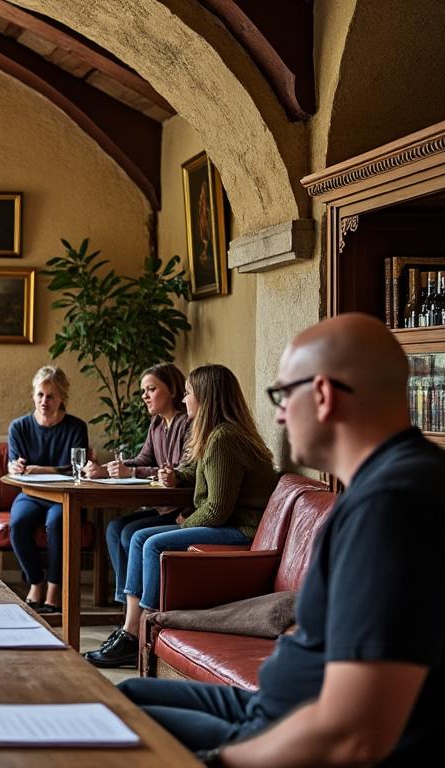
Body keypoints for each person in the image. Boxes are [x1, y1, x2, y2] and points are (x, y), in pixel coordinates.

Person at [120, 313, 445, 766]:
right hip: (270, 704)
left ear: (322, 395)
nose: (277, 414)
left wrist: (220, 760)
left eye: (282, 395)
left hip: (282, 724)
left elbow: (355, 734)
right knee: (124, 696)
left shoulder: (391, 506)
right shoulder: (383, 484)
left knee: (111, 732)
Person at [87, 364, 277, 669]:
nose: (185, 399)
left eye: (188, 393)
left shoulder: (224, 439)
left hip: (242, 529)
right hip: (230, 523)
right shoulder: (217, 435)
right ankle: (131, 631)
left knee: (149, 543)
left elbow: (216, 510)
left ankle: (143, 632)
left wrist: (184, 523)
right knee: (137, 537)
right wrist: (176, 476)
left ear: (205, 397)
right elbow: (200, 472)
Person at [82, 363, 191, 654]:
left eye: (151, 389)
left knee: (132, 534)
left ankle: (137, 622)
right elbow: (142, 460)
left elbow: (181, 472)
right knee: (115, 528)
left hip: (181, 507)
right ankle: (126, 612)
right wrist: (108, 469)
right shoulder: (156, 424)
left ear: (172, 390)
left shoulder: (184, 423)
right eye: (143, 391)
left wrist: (131, 473)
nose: (145, 396)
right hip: (161, 506)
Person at [6, 365, 90, 614]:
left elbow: (78, 467)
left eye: (51, 396)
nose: (44, 401)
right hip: (31, 494)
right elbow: (13, 464)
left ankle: (54, 589)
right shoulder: (19, 427)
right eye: (40, 394)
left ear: (62, 397)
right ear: (33, 395)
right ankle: (36, 582)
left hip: (66, 496)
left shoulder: (76, 427)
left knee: (57, 523)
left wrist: (44, 470)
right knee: (18, 524)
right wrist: (16, 466)